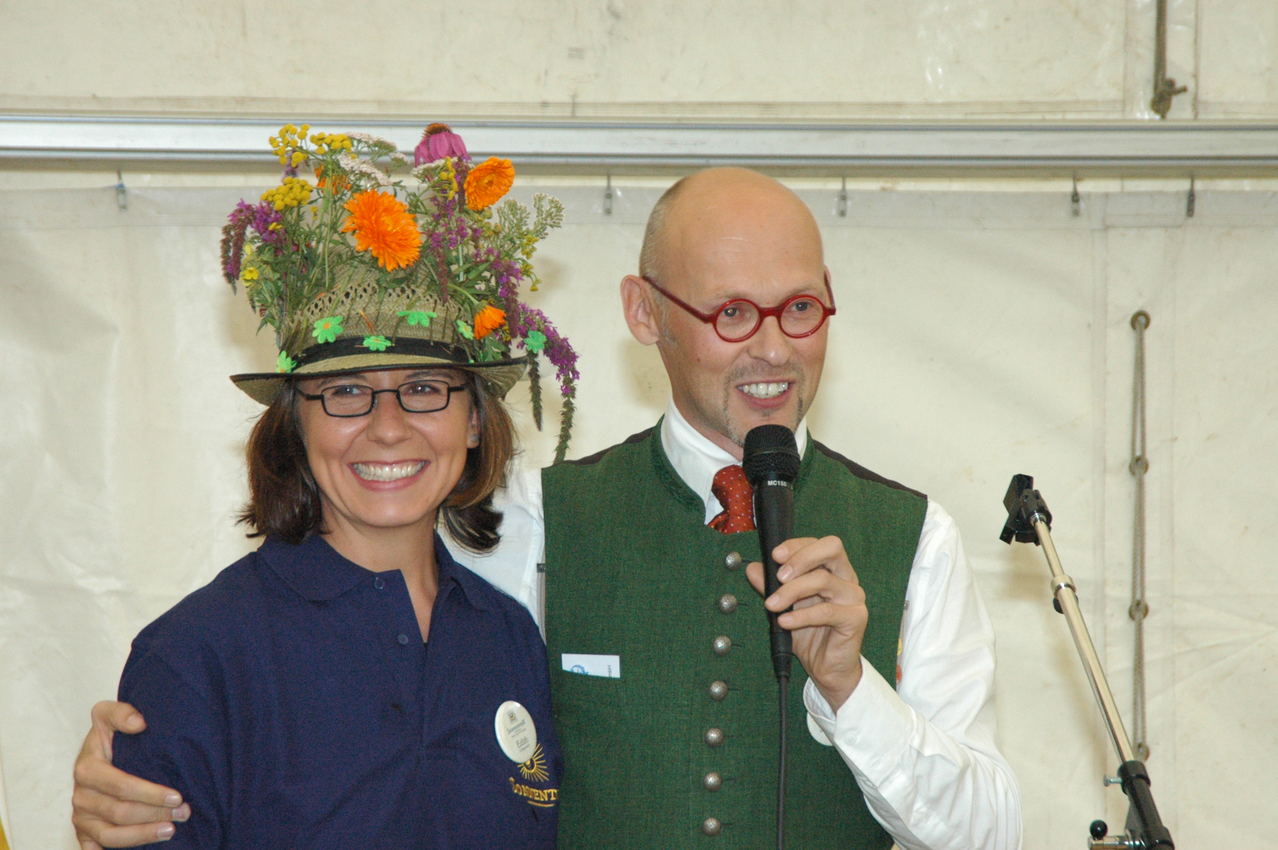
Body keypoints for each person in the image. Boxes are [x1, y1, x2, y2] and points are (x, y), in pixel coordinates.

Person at [74, 168, 1021, 849]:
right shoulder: (526, 524)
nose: (771, 347)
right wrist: (129, 775)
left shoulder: (918, 538)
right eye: (731, 312)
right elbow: (322, 620)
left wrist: (853, 692)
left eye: (800, 309)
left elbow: (993, 832)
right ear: (645, 314)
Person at [70, 124, 577, 849]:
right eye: (346, 392)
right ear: (296, 424)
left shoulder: (508, 636)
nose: (388, 428)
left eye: (424, 388)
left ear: (473, 421)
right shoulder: (197, 655)